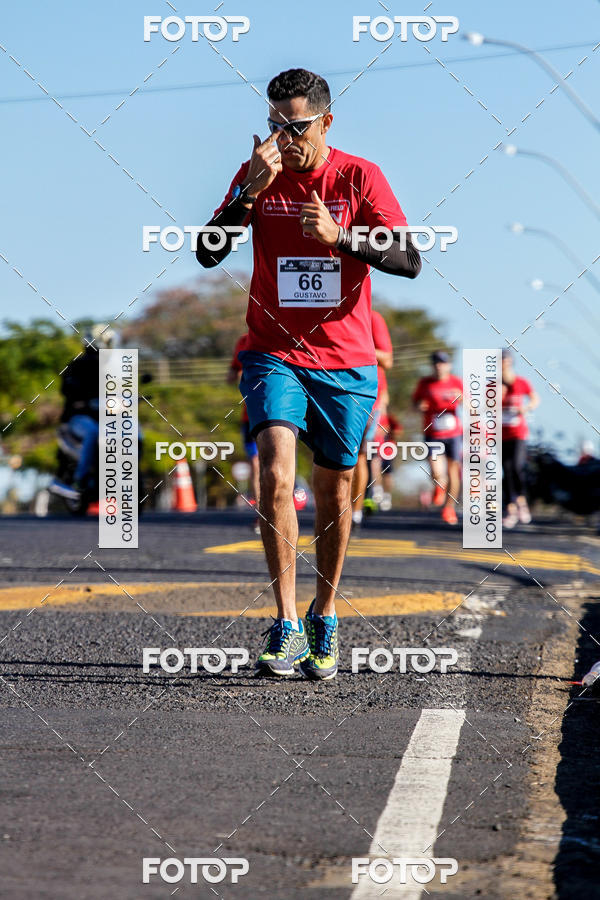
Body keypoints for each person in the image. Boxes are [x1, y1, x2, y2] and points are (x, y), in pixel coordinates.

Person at [196, 67, 421, 679]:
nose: (283, 137)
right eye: (272, 125)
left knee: (335, 492)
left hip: (346, 362)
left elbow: (410, 259)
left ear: (325, 122)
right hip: (274, 352)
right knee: (274, 469)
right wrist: (249, 192)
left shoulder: (360, 176)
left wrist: (342, 236)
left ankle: (325, 614)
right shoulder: (258, 175)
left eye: (294, 126)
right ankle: (287, 621)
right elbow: (208, 251)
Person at [50, 324, 115, 501]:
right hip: (79, 418)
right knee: (94, 432)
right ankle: (79, 481)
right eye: (106, 341)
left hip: (105, 417)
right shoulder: (77, 365)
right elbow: (67, 388)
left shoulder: (111, 365)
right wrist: (82, 399)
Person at [351, 308, 393, 530]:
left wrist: (351, 347)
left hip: (367, 399)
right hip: (332, 392)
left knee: (361, 456)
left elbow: (387, 359)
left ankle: (355, 512)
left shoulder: (373, 318)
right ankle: (338, 507)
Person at [412, 351, 462, 525]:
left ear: (448, 365)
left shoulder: (456, 382)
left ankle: (449, 508)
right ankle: (439, 486)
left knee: (453, 471)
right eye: (436, 363)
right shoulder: (425, 383)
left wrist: (461, 398)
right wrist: (420, 406)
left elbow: (470, 404)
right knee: (436, 471)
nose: (439, 366)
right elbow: (415, 403)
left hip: (454, 434)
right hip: (433, 433)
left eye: (442, 363)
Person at [501, 349, 539, 528]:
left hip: (518, 433)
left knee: (516, 466)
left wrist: (526, 408)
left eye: (505, 362)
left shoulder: (521, 382)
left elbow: (534, 399)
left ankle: (521, 503)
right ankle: (510, 509)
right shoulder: (492, 386)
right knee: (506, 469)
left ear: (510, 363)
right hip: (501, 433)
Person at [227, 333, 260, 531]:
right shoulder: (243, 341)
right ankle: (262, 514)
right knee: (256, 464)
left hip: (282, 414)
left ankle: (280, 512)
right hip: (249, 417)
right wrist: (238, 375)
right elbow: (232, 374)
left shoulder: (284, 333)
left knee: (277, 462)